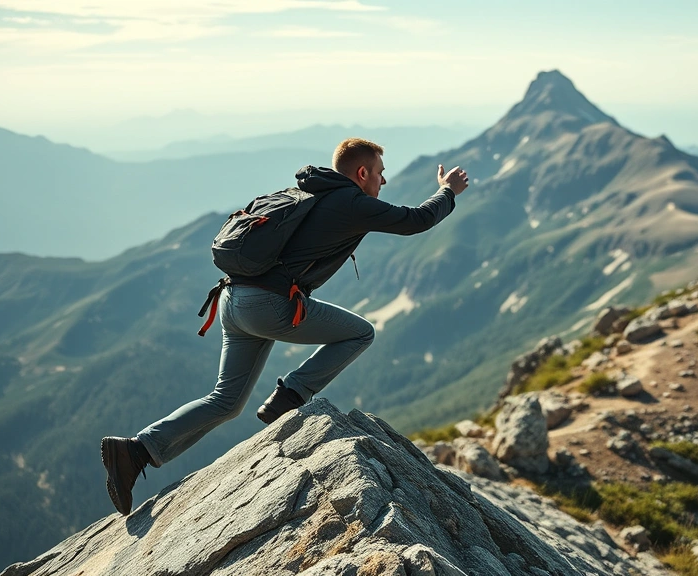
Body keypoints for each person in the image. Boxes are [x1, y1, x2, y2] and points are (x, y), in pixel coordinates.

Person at [101, 138, 469, 515]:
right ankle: (291, 395)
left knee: (226, 401)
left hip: (232, 300)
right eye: (379, 173)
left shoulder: (306, 190)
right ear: (362, 174)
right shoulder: (352, 202)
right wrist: (447, 192)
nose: (383, 182)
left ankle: (135, 451)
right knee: (361, 332)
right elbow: (416, 221)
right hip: (266, 305)